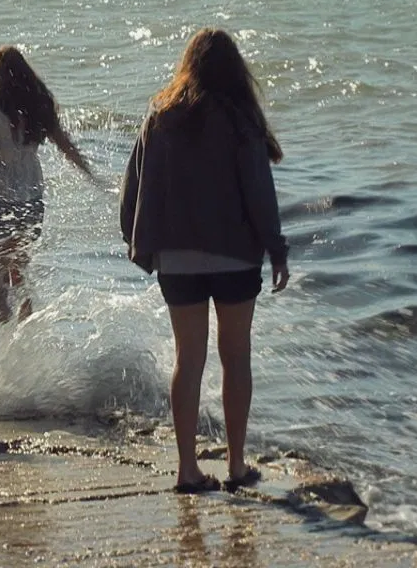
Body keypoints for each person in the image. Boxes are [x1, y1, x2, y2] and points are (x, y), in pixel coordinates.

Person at [120, 28, 290, 494]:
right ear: (236, 70)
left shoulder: (160, 116)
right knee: (236, 357)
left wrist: (137, 241)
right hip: (235, 255)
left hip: (177, 259)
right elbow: (259, 192)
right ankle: (236, 465)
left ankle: (187, 469)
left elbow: (132, 186)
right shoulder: (240, 119)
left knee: (188, 360)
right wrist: (276, 249)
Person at [0, 46, 95, 323]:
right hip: (30, 201)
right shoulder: (38, 104)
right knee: (17, 272)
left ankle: (5, 341)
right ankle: (25, 330)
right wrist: (90, 174)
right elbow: (65, 145)